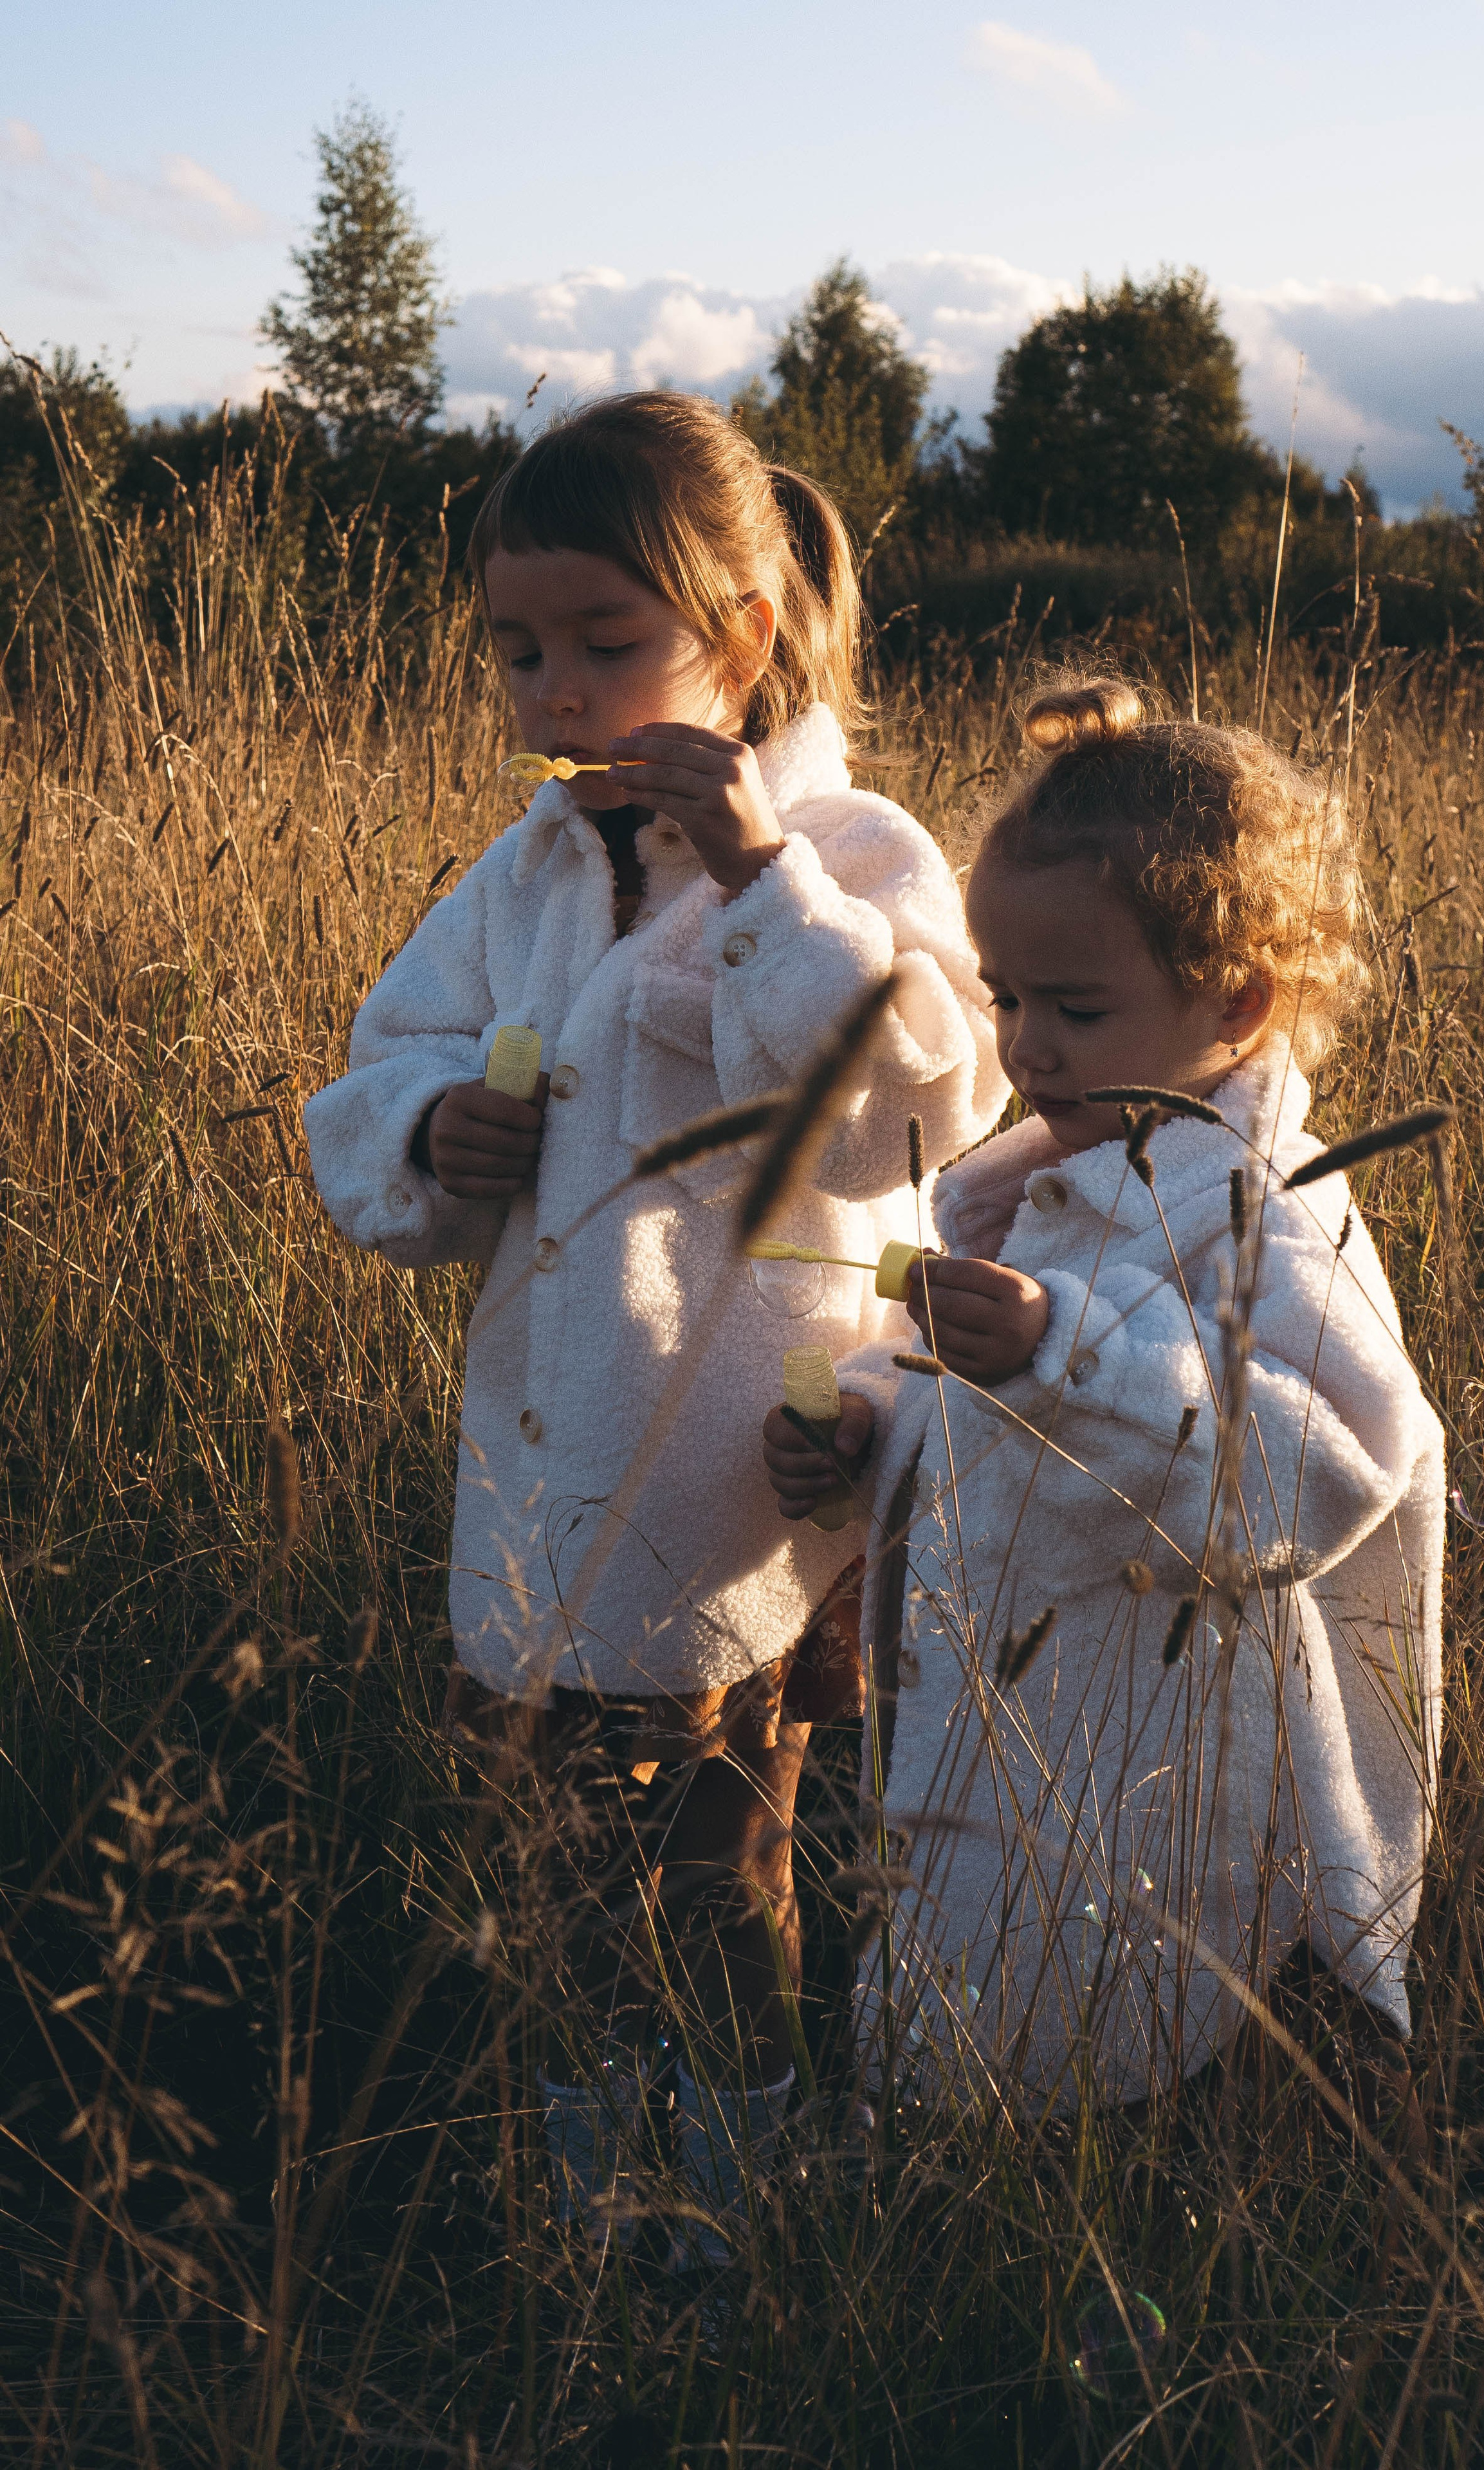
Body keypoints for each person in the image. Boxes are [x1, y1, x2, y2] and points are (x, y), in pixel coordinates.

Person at [303, 392, 1007, 2244]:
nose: (556, 693)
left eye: (609, 646)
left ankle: (742, 2197)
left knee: (721, 1861)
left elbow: (932, 1102)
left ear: (747, 633)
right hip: (544, 1462)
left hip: (736, 1474)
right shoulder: (528, 873)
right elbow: (382, 1071)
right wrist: (432, 1131)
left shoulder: (858, 851)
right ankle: (593, 2188)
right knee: (555, 1870)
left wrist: (769, 880)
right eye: (519, 651)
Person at [763, 676, 1445, 2112]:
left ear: (1236, 1001)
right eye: (1006, 999)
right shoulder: (1048, 1186)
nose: (1025, 1048)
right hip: (1017, 1733)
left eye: (1074, 1006)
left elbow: (1328, 1467)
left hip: (1174, 1767)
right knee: (987, 2013)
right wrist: (871, 1433)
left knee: (1146, 2044)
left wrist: (1059, 1356)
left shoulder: (1269, 1214)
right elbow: (981, 1412)